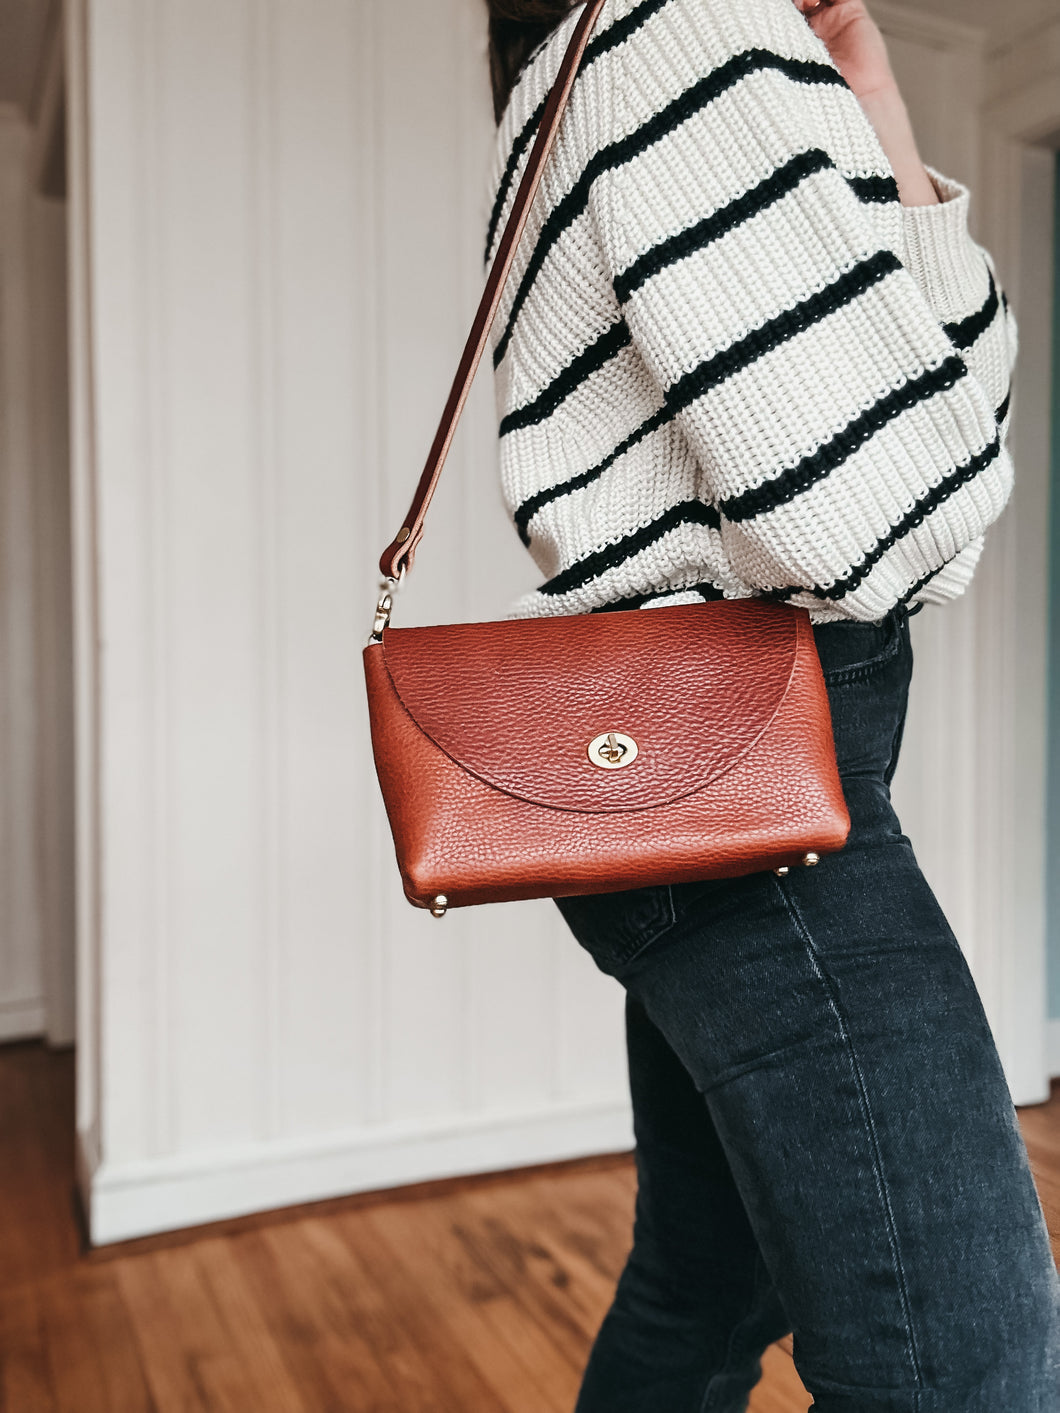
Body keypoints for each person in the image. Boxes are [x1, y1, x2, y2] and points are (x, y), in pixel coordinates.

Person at [482, 0, 1060, 1409]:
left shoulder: (592, 63)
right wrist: (933, 449)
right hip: (761, 801)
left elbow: (939, 406)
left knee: (701, 1287)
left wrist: (889, 141)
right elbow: (883, 522)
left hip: (711, 777)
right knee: (967, 1369)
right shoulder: (678, 29)